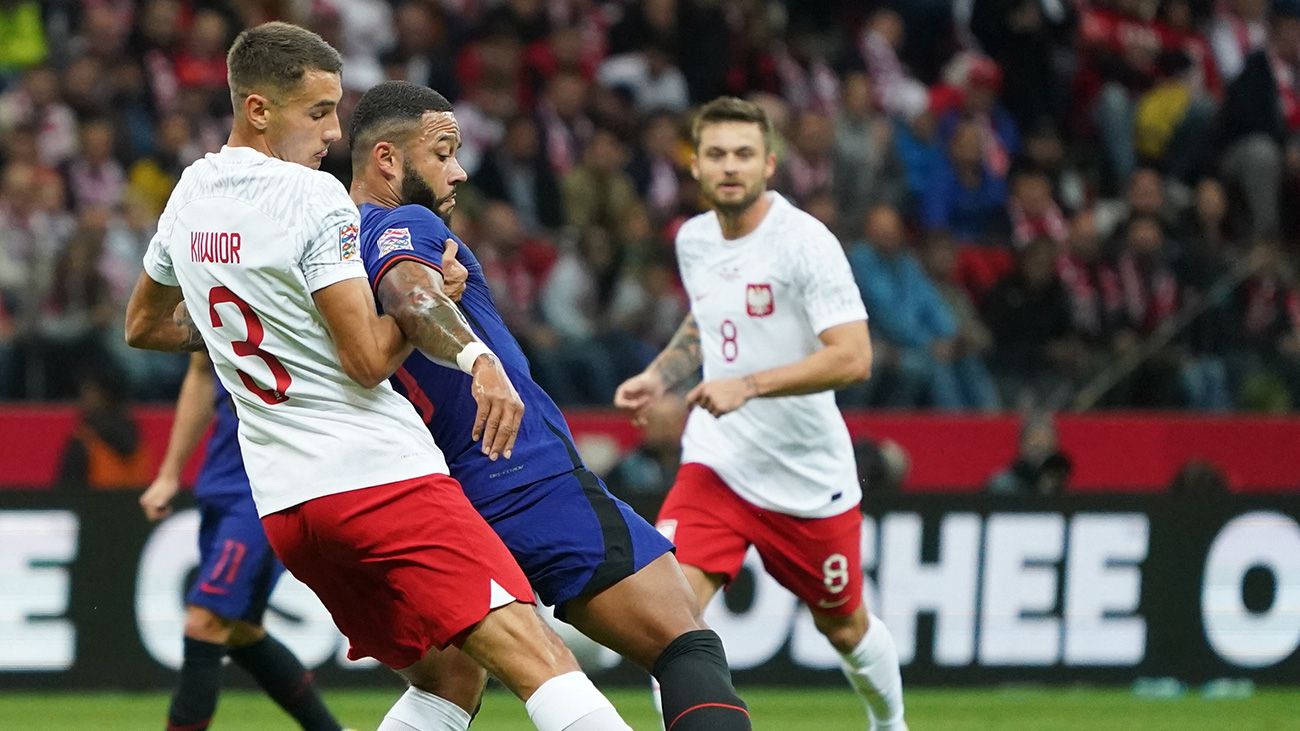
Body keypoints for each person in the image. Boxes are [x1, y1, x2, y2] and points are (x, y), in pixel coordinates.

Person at [123, 22, 630, 731]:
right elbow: (366, 359)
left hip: (290, 510)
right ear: (258, 109)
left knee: (449, 677)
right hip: (379, 480)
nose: (334, 132)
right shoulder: (314, 198)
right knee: (539, 653)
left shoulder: (192, 192)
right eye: (318, 111)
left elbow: (143, 324)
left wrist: (268, 330)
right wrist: (454, 314)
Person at [347, 80, 750, 731]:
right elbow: (409, 290)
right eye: (443, 151)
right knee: (685, 641)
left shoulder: (324, 254)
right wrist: (477, 356)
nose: (460, 169)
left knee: (449, 684)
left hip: (424, 499)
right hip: (521, 474)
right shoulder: (405, 223)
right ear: (388, 160)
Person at [615, 96, 908, 731]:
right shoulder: (693, 240)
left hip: (805, 474)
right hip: (718, 461)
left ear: (770, 164)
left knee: (846, 626)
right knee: (668, 620)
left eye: (744, 154)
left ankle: (890, 725)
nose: (729, 167)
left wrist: (748, 385)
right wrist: (659, 375)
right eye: (716, 154)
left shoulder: (805, 243)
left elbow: (854, 357)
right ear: (695, 166)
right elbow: (708, 320)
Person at [139, 352, 346, 731]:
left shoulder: (310, 294)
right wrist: (170, 473)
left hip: (271, 484)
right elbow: (201, 372)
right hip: (220, 479)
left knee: (206, 621)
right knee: (240, 630)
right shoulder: (214, 293)